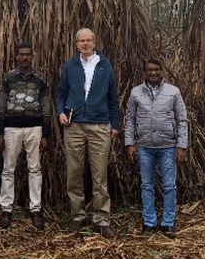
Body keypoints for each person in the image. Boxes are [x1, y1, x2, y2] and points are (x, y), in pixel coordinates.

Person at [55, 28, 120, 239]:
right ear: (76, 44)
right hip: (73, 126)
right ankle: (77, 216)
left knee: (99, 175)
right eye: (81, 41)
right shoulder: (70, 65)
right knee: (74, 173)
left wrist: (115, 124)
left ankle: (101, 220)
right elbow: (60, 93)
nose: (85, 44)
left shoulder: (105, 65)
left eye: (89, 40)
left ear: (94, 42)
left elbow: (113, 97)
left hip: (100, 126)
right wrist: (60, 112)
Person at [124, 58, 188, 238]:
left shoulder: (173, 92)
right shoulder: (135, 92)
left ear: (161, 71)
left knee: (169, 186)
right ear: (144, 72)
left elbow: (182, 119)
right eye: (150, 70)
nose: (153, 73)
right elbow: (130, 119)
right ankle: (149, 223)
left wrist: (181, 146)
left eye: (156, 70)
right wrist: (129, 143)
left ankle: (168, 223)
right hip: (144, 147)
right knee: (146, 185)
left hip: (168, 146)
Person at [0, 42, 50, 231]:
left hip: (34, 128)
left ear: (32, 56)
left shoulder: (40, 79)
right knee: (8, 169)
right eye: (21, 54)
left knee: (35, 169)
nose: (25, 57)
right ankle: (6, 209)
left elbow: (45, 107)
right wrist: (0, 132)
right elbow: (1, 104)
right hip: (11, 129)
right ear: (16, 57)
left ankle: (35, 210)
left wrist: (45, 134)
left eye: (28, 54)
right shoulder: (8, 78)